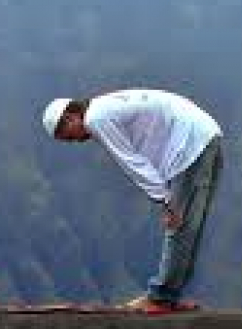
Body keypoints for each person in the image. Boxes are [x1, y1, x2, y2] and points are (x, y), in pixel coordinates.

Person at [41, 89, 223, 311]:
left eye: (67, 136)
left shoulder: (96, 118)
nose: (73, 142)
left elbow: (131, 162)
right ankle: (171, 295)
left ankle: (161, 297)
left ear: (70, 117)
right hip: (206, 134)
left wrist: (164, 200)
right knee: (190, 227)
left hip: (190, 145)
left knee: (179, 225)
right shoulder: (105, 105)